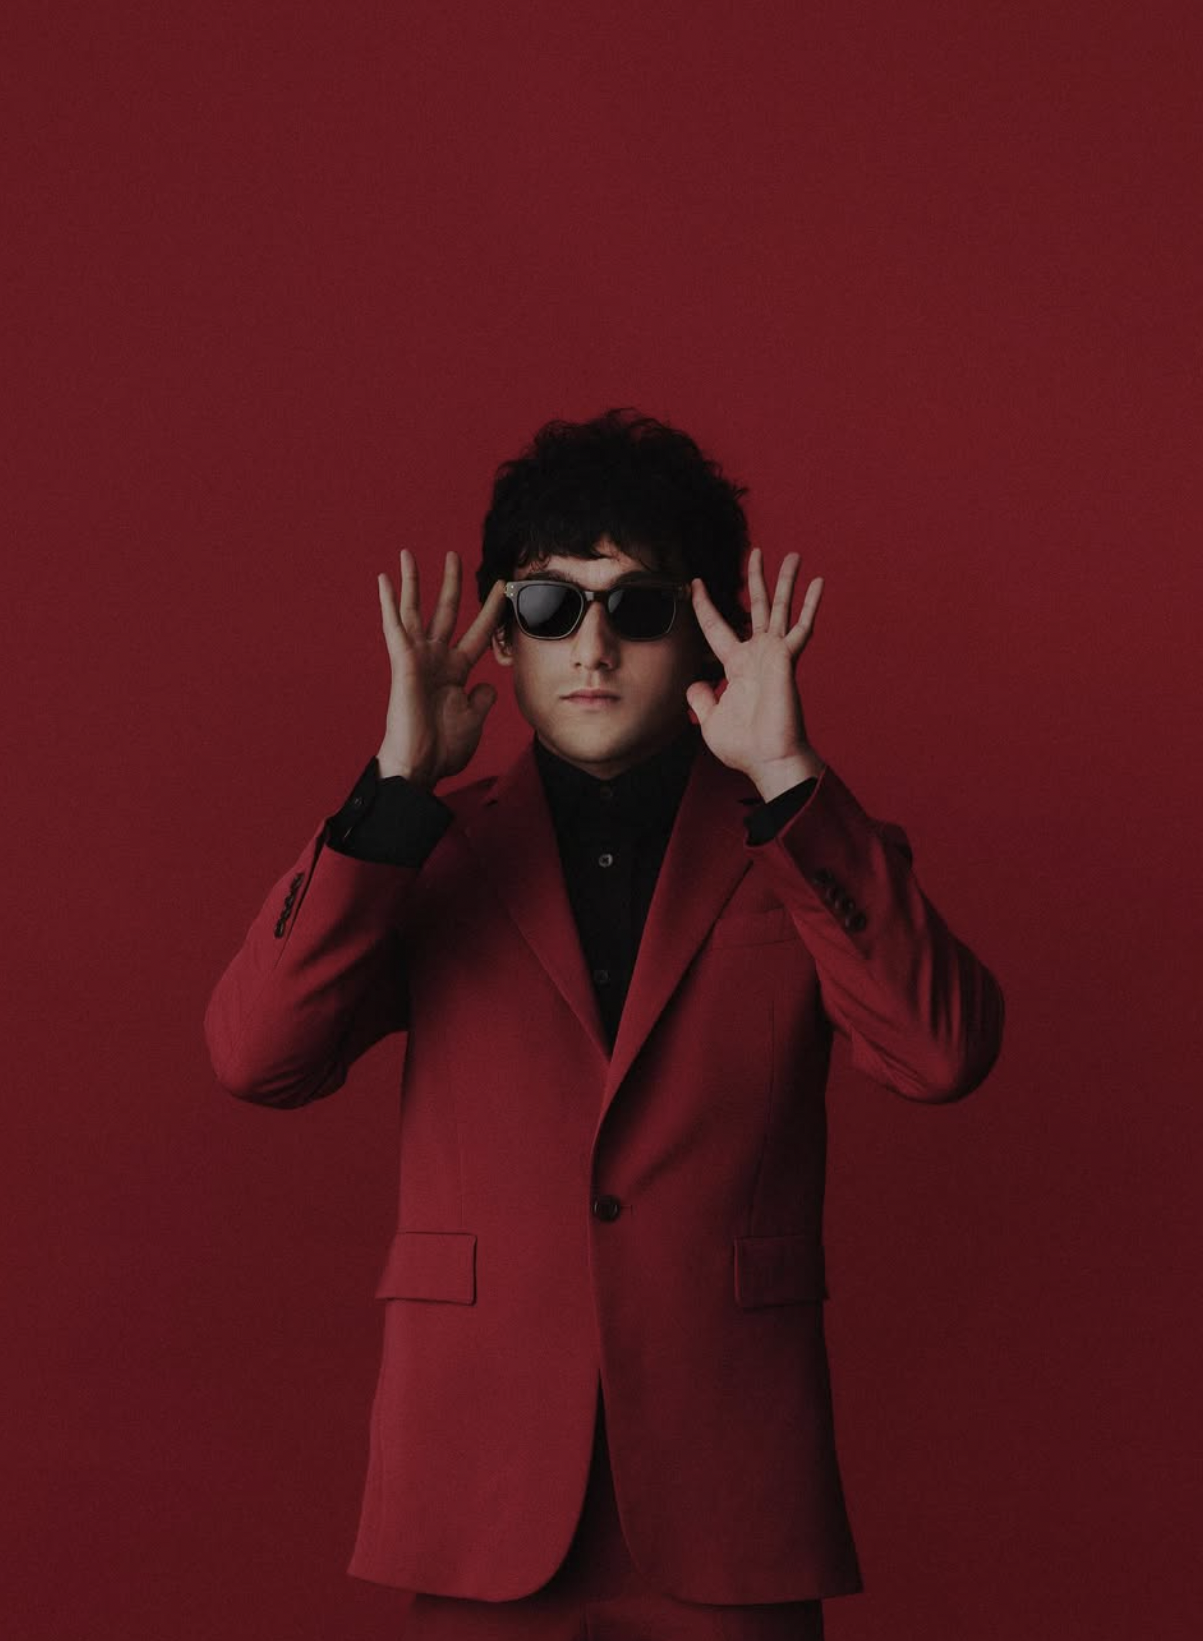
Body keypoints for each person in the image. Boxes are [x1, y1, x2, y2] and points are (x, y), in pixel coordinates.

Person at [204, 407, 1005, 1640]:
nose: (590, 645)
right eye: (547, 606)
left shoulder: (800, 847)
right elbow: (255, 1057)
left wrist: (787, 777)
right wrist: (394, 790)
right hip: (481, 1483)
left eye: (635, 607)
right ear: (501, 636)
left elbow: (941, 1053)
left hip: (727, 1492)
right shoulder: (426, 853)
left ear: (704, 629)